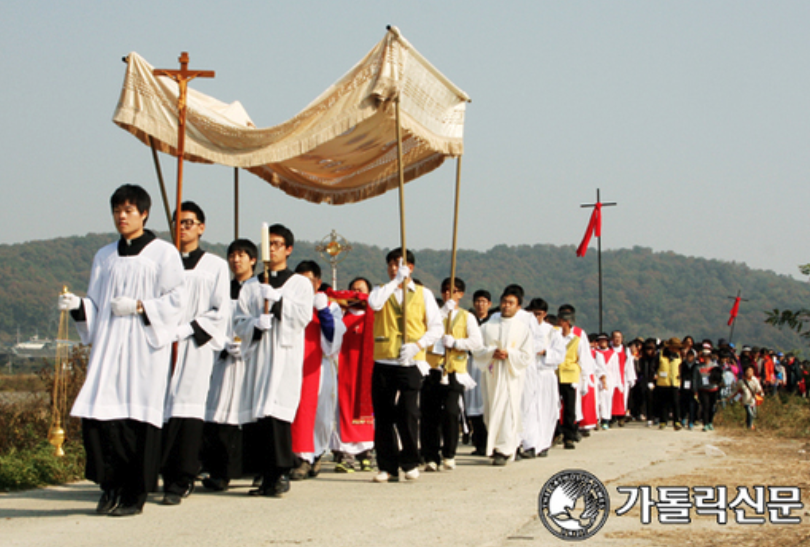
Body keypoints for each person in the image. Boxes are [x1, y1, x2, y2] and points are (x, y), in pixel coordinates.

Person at [58, 184, 184, 516]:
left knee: (135, 422)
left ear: (144, 213)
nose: (121, 217)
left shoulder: (163, 253)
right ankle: (110, 486)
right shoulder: (104, 255)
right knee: (100, 419)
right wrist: (78, 307)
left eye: (128, 210)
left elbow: (177, 301)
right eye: (117, 210)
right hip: (110, 347)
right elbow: (97, 304)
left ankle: (134, 494)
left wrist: (140, 306)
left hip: (143, 349)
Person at [233, 224, 314, 497]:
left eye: (278, 244)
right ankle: (264, 475)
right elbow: (238, 320)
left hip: (283, 356)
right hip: (258, 357)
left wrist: (278, 303)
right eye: (269, 244)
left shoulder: (299, 284)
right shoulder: (252, 286)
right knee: (259, 417)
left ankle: (280, 473)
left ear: (288, 249)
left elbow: (303, 317)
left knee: (277, 415)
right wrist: (256, 324)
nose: (273, 249)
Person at [160, 202, 230, 506]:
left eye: (190, 222)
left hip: (194, 345)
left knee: (187, 410)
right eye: (179, 222)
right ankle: (155, 472)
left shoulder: (215, 266)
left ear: (201, 227)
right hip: (162, 343)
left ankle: (181, 478)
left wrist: (188, 329)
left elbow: (221, 310)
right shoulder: (163, 260)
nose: (184, 227)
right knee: (158, 409)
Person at [367, 248, 442, 482]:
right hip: (384, 359)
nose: (393, 268)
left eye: (399, 264)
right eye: (390, 264)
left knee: (408, 412)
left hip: (410, 361)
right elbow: (375, 305)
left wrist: (418, 345)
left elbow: (436, 327)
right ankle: (387, 466)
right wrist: (395, 282)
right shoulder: (381, 290)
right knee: (384, 415)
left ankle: (410, 460)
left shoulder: (423, 294)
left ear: (411, 267)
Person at [202, 239, 259, 492]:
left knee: (252, 415)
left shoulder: (260, 288)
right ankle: (220, 471)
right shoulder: (222, 289)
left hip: (252, 359)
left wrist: (249, 341)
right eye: (232, 255)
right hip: (224, 358)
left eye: (242, 255)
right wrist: (222, 342)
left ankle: (259, 470)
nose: (236, 260)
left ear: (253, 260)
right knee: (220, 413)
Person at [289, 261, 345, 481]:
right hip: (294, 364)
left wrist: (322, 311)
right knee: (299, 412)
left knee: (321, 415)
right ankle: (301, 458)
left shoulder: (330, 306)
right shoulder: (292, 304)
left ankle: (317, 452)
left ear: (318, 282)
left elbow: (333, 339)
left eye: (309, 281)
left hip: (319, 365)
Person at [421, 277, 482, 471]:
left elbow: (476, 342)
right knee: (429, 414)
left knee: (450, 412)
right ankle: (430, 455)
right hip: (432, 368)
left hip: (454, 370)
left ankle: (449, 453)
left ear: (461, 294)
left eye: (454, 291)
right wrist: (441, 313)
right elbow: (422, 332)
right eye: (446, 291)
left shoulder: (467, 317)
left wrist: (456, 343)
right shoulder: (433, 315)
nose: (449, 294)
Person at [472, 286, 534, 465]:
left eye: (511, 303)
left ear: (518, 307)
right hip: (492, 376)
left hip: (510, 376)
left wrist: (510, 354)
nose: (506, 306)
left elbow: (527, 355)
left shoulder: (522, 329)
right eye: (504, 302)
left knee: (507, 412)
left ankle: (504, 450)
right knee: (491, 411)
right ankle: (494, 446)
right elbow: (477, 349)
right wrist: (492, 352)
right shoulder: (487, 327)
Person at [330, 277, 376, 473]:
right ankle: (346, 455)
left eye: (362, 290)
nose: (357, 294)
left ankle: (366, 454)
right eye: (353, 290)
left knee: (367, 410)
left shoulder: (375, 317)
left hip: (367, 372)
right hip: (345, 370)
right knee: (344, 409)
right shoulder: (340, 317)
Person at [553, 305, 596, 450]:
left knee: (570, 408)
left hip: (571, 376)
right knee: (554, 406)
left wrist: (585, 380)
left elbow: (584, 357)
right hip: (555, 374)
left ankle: (569, 436)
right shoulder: (554, 334)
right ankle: (556, 432)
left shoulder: (578, 336)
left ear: (566, 322)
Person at [524, 298, 563, 457]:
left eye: (539, 314)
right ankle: (530, 445)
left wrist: (546, 352)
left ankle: (544, 443)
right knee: (529, 409)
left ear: (545, 314)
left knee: (547, 409)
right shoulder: (524, 329)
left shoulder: (552, 331)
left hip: (546, 374)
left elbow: (560, 354)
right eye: (533, 314)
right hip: (529, 374)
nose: (536, 317)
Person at [464, 289, 493, 456]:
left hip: (487, 365)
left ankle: (489, 442)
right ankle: (479, 442)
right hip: (471, 363)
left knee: (486, 403)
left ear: (489, 304)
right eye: (477, 301)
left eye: (483, 301)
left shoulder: (493, 322)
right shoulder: (469, 319)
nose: (480, 304)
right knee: (473, 404)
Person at [656, 338, 683, 430]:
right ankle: (663, 421)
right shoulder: (660, 354)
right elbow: (654, 366)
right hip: (663, 382)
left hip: (675, 382)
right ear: (671, 347)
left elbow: (681, 367)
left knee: (676, 403)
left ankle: (676, 422)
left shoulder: (678, 356)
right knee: (663, 403)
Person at [678, 349, 700, 430]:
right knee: (683, 404)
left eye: (691, 355)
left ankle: (691, 421)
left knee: (692, 405)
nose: (690, 357)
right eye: (688, 355)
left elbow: (698, 377)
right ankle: (683, 418)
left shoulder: (697, 365)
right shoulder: (683, 364)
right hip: (684, 386)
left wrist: (697, 388)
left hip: (693, 388)